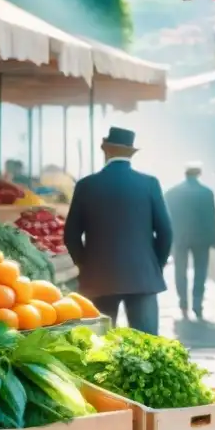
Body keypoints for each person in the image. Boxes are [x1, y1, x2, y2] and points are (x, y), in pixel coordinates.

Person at [64, 127, 173, 335]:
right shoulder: (149, 184)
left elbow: (71, 235)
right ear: (130, 153)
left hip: (98, 276)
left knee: (100, 345)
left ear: (106, 151)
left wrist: (84, 264)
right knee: (146, 346)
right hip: (142, 276)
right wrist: (154, 265)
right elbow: (166, 232)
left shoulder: (86, 185)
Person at [165, 162, 215, 319]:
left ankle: (183, 303)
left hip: (179, 237)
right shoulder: (207, 193)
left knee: (180, 271)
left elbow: (168, 218)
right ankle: (197, 303)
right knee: (200, 271)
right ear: (198, 174)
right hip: (201, 238)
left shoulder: (172, 193)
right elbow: (212, 218)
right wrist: (213, 239)